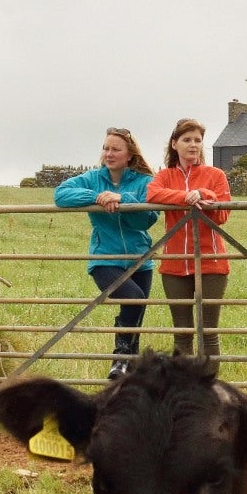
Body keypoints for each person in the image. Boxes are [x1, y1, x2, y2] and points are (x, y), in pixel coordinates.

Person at [54, 128, 156, 379]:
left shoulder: (144, 181)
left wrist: (122, 199)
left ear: (129, 155)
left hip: (140, 260)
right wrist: (98, 197)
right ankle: (120, 356)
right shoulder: (92, 179)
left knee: (136, 318)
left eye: (115, 149)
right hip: (104, 259)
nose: (108, 154)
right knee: (134, 298)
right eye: (106, 148)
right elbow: (61, 195)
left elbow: (147, 220)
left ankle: (128, 377)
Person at [148, 117, 232, 359]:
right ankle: (184, 392)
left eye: (198, 140)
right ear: (174, 144)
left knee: (208, 332)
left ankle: (208, 391)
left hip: (212, 261)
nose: (193, 145)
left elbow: (223, 214)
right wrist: (186, 197)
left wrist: (204, 194)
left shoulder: (215, 175)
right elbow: (153, 194)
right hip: (175, 263)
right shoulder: (165, 176)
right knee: (182, 332)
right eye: (187, 140)